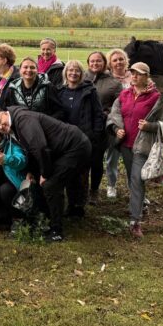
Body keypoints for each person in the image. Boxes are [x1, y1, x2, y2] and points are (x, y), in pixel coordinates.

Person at [0, 107, 91, 242]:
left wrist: (45, 173)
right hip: (62, 150)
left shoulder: (22, 119)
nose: (0, 127)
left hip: (75, 147)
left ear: (5, 113)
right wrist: (32, 171)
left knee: (50, 185)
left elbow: (40, 147)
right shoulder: (15, 127)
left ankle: (56, 231)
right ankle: (48, 219)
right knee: (44, 183)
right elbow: (31, 151)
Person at [107, 62, 163, 239]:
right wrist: (116, 129)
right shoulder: (124, 95)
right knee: (133, 179)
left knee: (136, 179)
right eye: (133, 73)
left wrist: (150, 126)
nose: (134, 76)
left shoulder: (157, 98)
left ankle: (135, 221)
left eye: (139, 74)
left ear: (147, 76)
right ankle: (141, 203)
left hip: (143, 147)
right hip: (126, 145)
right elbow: (113, 115)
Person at [57, 60, 106, 215]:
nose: (73, 73)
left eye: (77, 70)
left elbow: (98, 114)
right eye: (70, 70)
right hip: (66, 140)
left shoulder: (89, 91)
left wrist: (95, 134)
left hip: (85, 138)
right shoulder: (60, 92)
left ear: (81, 74)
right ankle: (71, 203)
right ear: (65, 73)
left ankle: (79, 205)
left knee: (82, 173)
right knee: (68, 171)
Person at [84, 51, 123, 201]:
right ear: (88, 63)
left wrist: (105, 115)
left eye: (98, 61)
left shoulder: (114, 83)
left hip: (100, 128)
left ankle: (94, 190)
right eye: (92, 61)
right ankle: (81, 189)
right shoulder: (82, 78)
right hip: (82, 126)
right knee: (82, 159)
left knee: (96, 160)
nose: (95, 63)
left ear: (104, 63)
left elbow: (118, 106)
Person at [103, 48, 132, 198]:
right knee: (112, 156)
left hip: (133, 123)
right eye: (115, 60)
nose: (118, 62)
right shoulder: (107, 79)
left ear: (126, 60)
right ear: (110, 63)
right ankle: (111, 185)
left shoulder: (134, 76)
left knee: (133, 159)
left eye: (121, 59)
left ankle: (134, 187)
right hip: (114, 123)